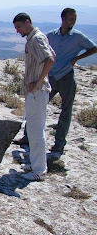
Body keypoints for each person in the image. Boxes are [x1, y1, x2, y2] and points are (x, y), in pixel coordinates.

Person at [13, 8, 97, 156]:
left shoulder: (78, 37)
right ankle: (28, 137)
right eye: (70, 19)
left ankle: (59, 144)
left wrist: (77, 58)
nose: (73, 22)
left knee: (66, 110)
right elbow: (48, 54)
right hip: (50, 76)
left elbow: (94, 48)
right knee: (36, 108)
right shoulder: (50, 35)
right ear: (63, 19)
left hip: (66, 77)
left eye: (74, 19)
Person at [13, 13, 55, 181]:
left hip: (37, 92)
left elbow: (50, 59)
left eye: (19, 27)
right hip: (36, 92)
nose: (17, 31)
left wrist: (38, 82)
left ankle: (39, 171)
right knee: (33, 129)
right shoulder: (36, 38)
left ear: (27, 22)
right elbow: (53, 55)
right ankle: (35, 163)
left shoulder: (36, 39)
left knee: (36, 132)